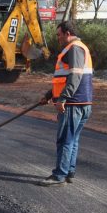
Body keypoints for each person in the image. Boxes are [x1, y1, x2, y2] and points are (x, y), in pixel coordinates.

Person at [39, 20, 93, 187]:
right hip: (81, 102)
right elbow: (62, 79)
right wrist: (49, 95)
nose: (58, 38)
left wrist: (62, 98)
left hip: (72, 104)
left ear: (67, 33)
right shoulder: (79, 48)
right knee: (72, 140)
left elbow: (75, 77)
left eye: (59, 34)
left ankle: (59, 175)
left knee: (65, 140)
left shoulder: (74, 48)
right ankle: (69, 172)